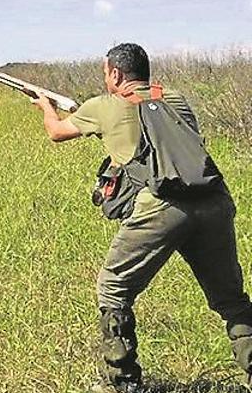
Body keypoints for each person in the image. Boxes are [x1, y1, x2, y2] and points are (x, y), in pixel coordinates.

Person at [30, 42, 252, 393]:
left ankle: (124, 383)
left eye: (106, 73)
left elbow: (56, 132)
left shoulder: (103, 105)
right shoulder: (175, 99)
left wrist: (45, 106)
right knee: (231, 300)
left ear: (116, 74)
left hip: (161, 206)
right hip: (213, 200)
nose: (105, 78)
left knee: (113, 287)